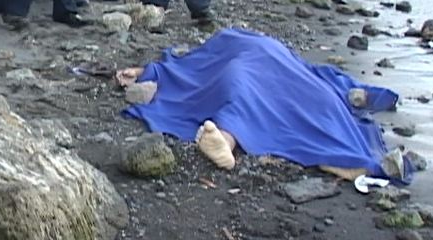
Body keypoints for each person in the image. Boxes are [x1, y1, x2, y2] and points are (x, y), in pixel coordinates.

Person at [117, 28, 410, 182]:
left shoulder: (235, 41)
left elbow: (188, 68)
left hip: (261, 68)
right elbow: (192, 64)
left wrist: (149, 72)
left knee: (238, 89)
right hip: (272, 70)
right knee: (308, 102)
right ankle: (345, 157)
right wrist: (147, 72)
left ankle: (226, 137)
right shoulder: (254, 44)